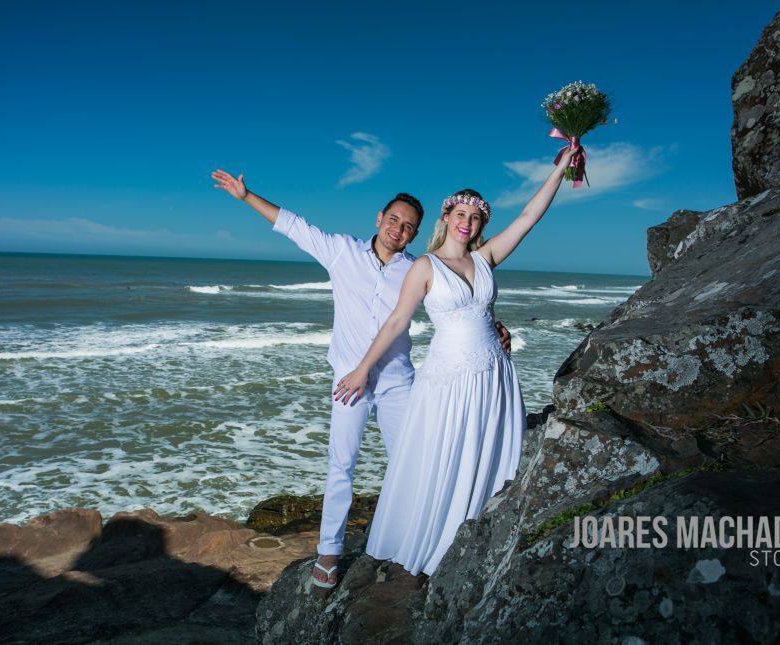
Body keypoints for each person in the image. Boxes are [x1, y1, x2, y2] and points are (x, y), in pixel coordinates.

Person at [210, 169, 512, 588]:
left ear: (415, 234)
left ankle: (413, 542)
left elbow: (462, 305)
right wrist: (246, 196)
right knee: (341, 465)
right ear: (379, 218)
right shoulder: (341, 252)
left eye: (408, 227)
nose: (398, 229)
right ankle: (329, 552)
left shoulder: (419, 269)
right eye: (394, 220)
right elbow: (292, 225)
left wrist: (495, 327)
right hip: (348, 382)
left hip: (397, 382)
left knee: (414, 462)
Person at [333, 146, 579, 576]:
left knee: (487, 456)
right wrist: (361, 369)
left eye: (476, 217)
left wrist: (561, 166)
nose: (467, 223)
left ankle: (475, 536)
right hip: (448, 380)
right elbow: (394, 324)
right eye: (460, 214)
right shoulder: (425, 266)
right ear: (446, 218)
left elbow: (528, 217)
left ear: (482, 224)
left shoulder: (485, 259)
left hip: (495, 376)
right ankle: (431, 545)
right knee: (442, 460)